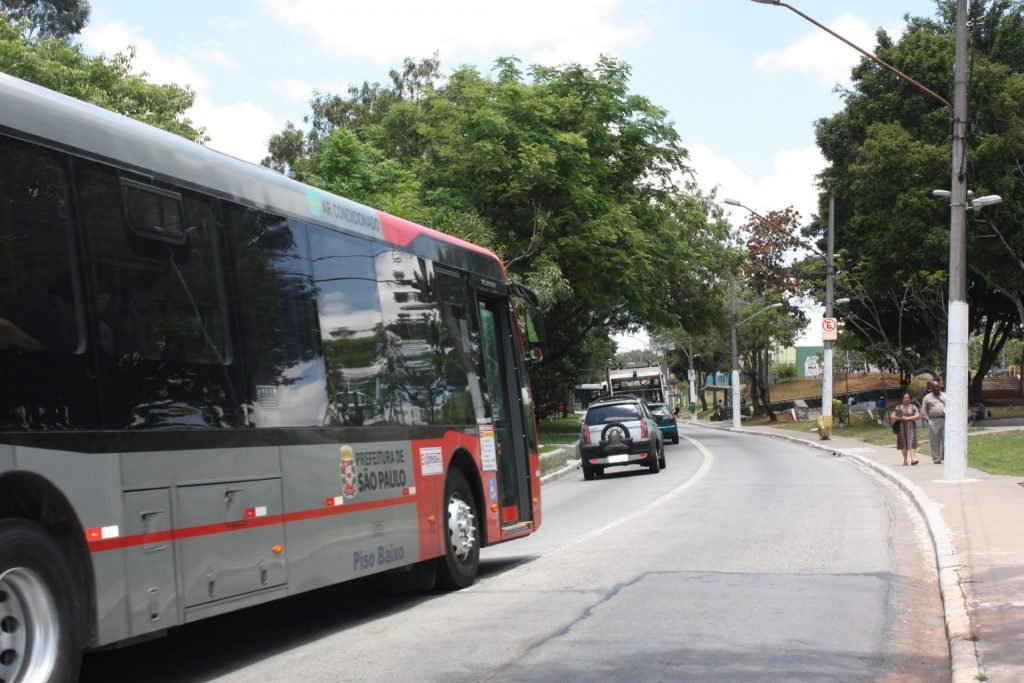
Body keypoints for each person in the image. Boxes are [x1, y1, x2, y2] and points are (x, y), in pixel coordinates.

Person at [891, 392, 921, 466]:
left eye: (908, 398)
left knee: (911, 441)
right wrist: (901, 418)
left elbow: (917, 415)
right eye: (905, 398)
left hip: (911, 427)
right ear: (902, 399)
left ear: (910, 399)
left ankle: (913, 459)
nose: (906, 399)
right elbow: (892, 416)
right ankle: (905, 460)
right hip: (901, 428)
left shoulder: (913, 407)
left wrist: (908, 418)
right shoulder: (898, 407)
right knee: (903, 443)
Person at [921, 381, 947, 463]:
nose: (936, 388)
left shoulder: (945, 396)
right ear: (931, 388)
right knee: (934, 441)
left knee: (946, 440)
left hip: (945, 420)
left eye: (937, 386)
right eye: (934, 387)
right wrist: (928, 419)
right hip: (933, 421)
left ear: (940, 387)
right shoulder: (927, 397)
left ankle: (945, 457)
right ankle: (936, 458)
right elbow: (923, 409)